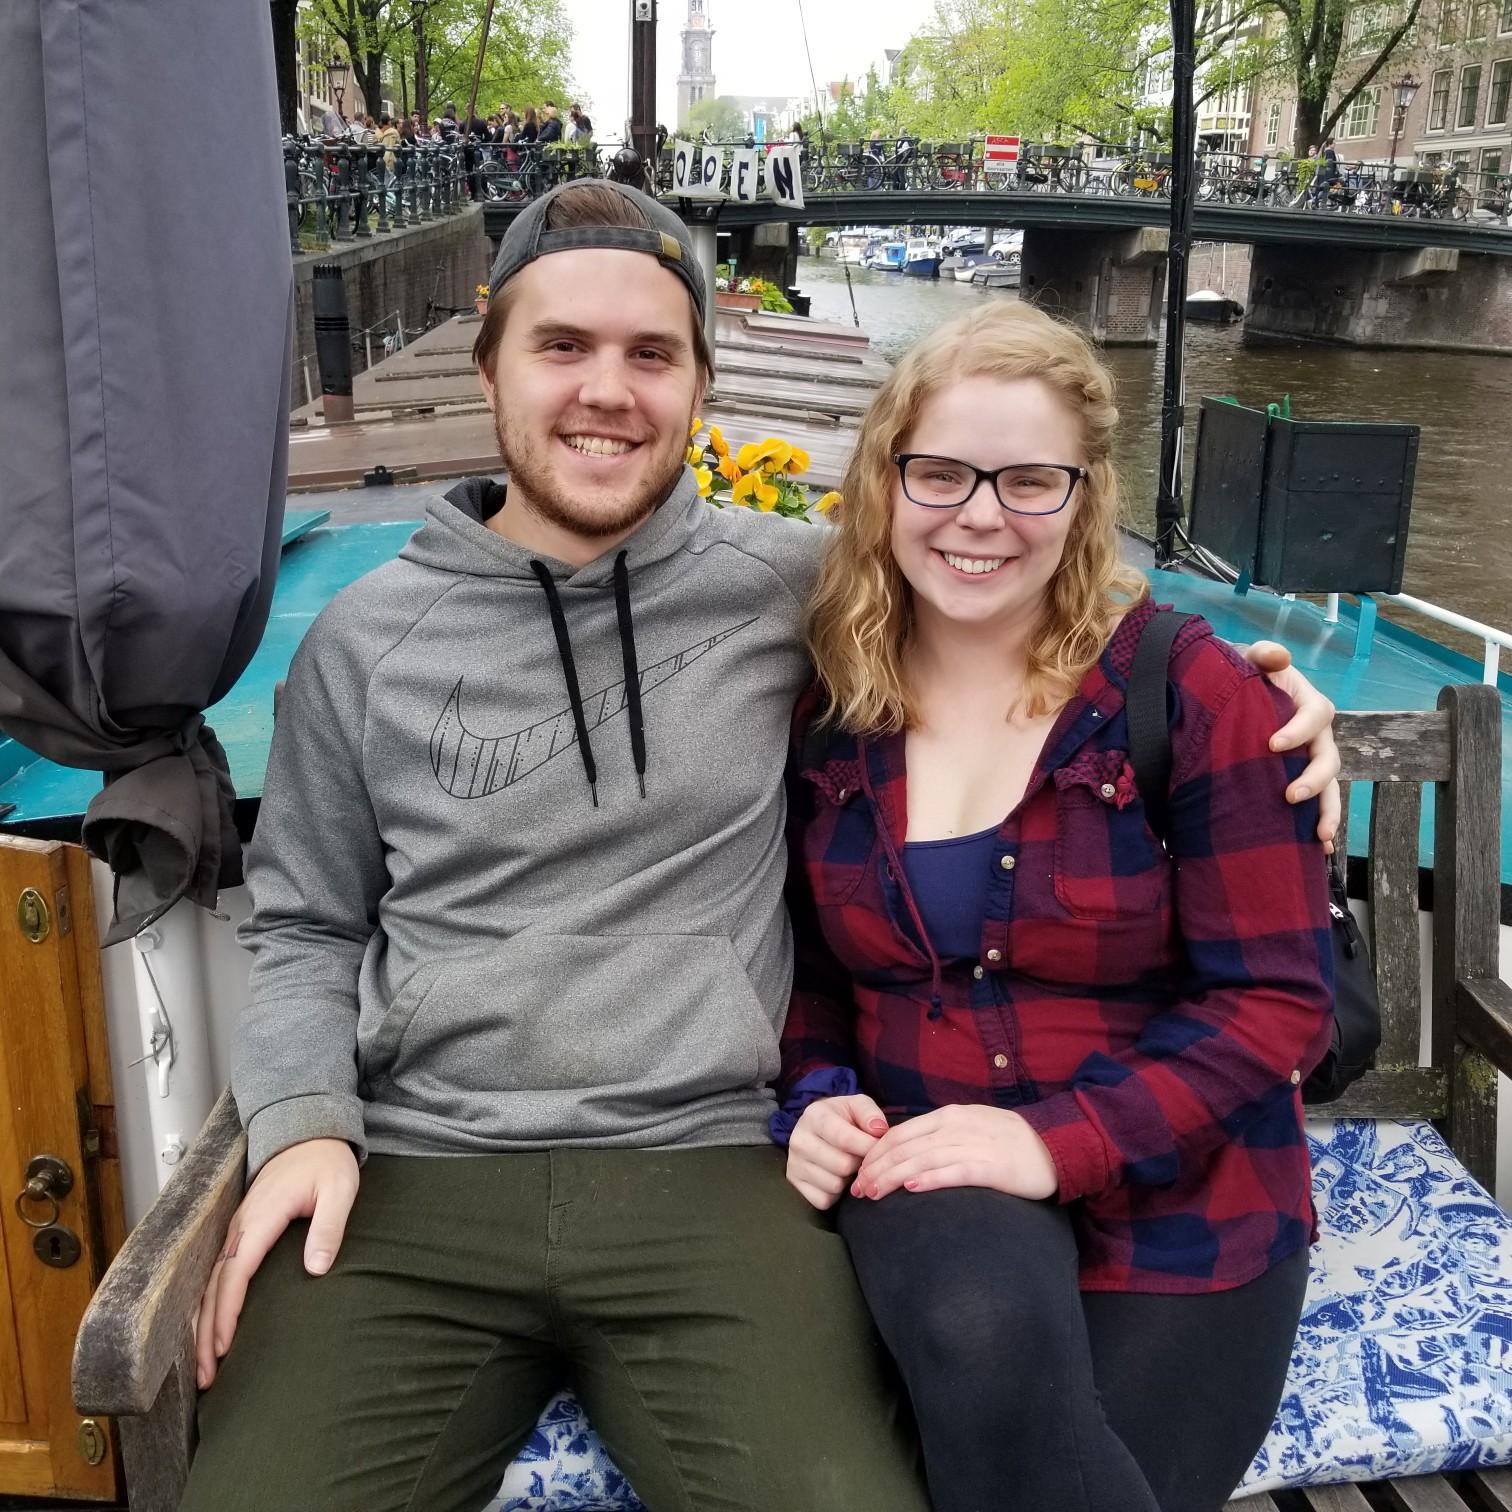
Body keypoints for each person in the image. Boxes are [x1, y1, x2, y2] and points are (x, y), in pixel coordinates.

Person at [182, 181, 1340, 1512]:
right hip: (418, 1172)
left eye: (650, 353)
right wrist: (303, 1125)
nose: (606, 391)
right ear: (491, 362)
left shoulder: (804, 590)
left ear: (700, 385)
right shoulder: (363, 642)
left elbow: (1018, 599)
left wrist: (1265, 698)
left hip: (713, 1166)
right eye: (562, 346)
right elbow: (309, 922)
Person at [776, 300, 1334, 1512]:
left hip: (1188, 1194)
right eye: (940, 473)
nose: (979, 516)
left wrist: (1051, 1140)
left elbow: (1278, 1001)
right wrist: (817, 1093)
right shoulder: (831, 707)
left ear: (1085, 498)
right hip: (939, 1167)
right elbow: (812, 972)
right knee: (978, 1326)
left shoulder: (1187, 694)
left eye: (1030, 481)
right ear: (884, 481)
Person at [1308, 135, 1340, 207]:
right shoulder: (1330, 152)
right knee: (1333, 187)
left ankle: (1316, 201)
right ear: (1330, 144)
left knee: (1323, 188)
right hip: (1329, 175)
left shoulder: (1324, 151)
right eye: (1334, 143)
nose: (1335, 145)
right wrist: (1335, 173)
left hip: (1323, 174)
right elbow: (1331, 164)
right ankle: (1318, 201)